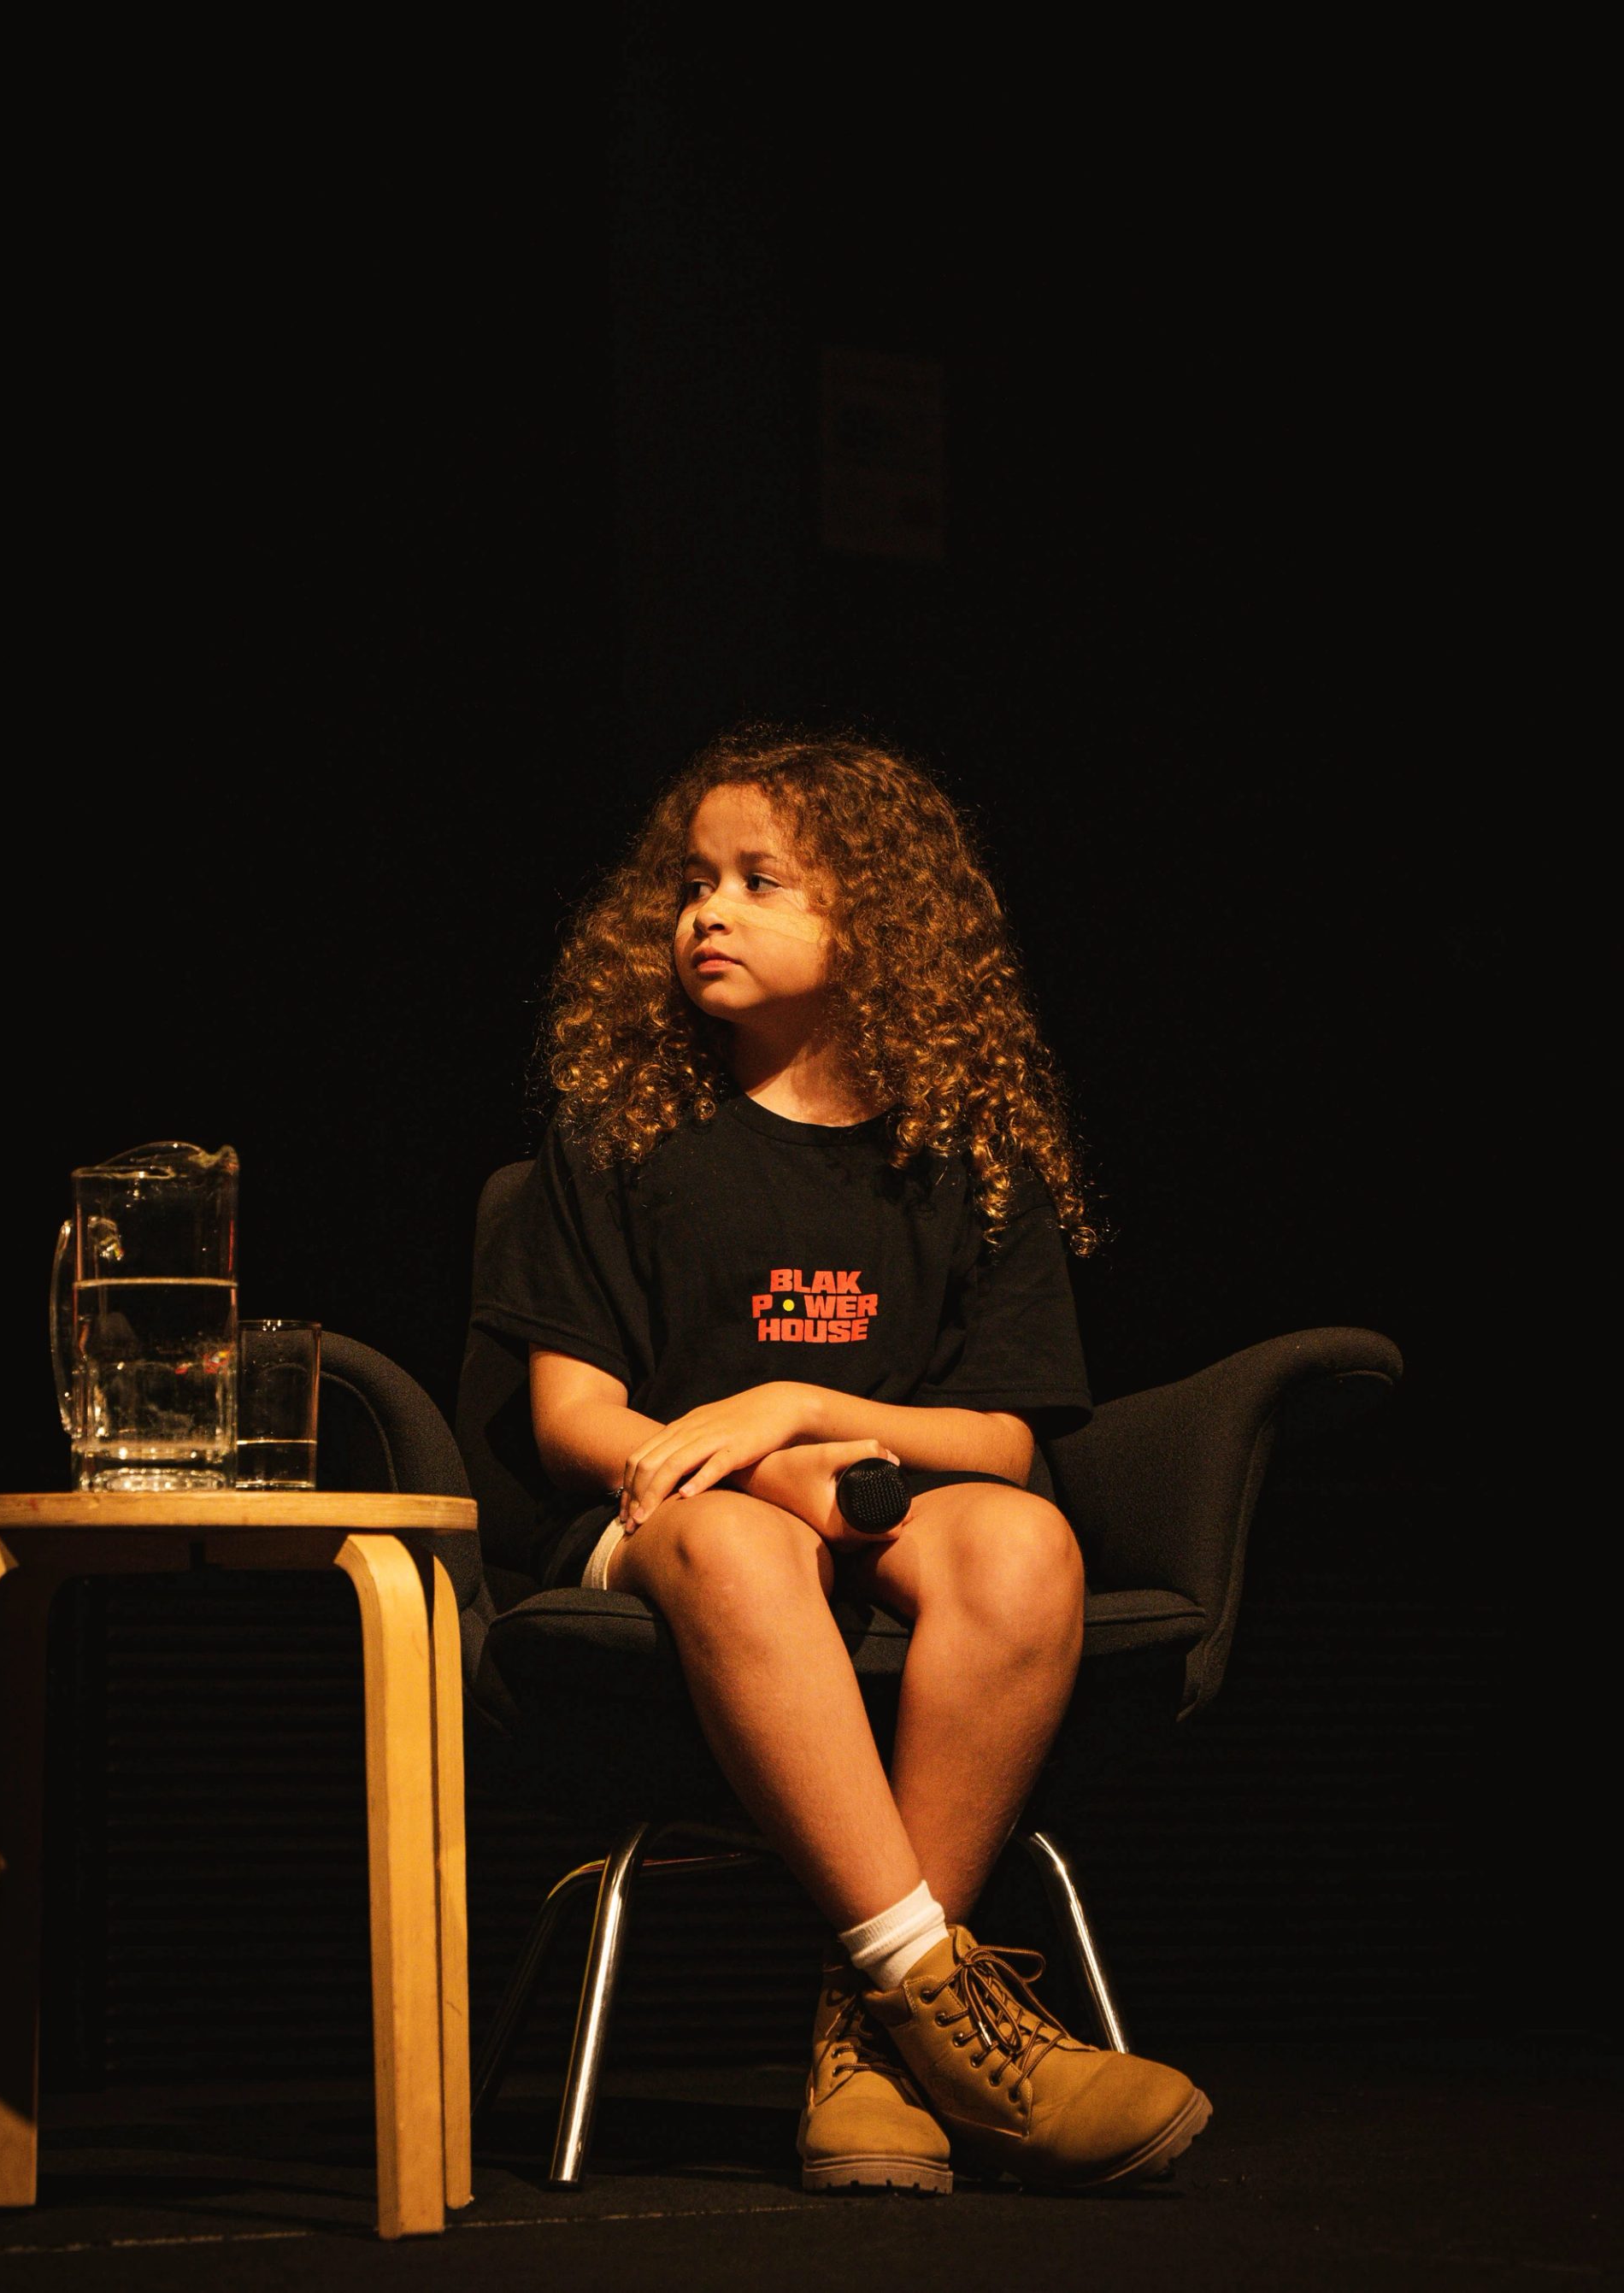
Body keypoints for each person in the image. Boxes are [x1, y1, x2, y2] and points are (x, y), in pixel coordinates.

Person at [497, 726, 1209, 2195]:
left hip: (881, 1511)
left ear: (880, 923)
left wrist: (797, 1407)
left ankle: (877, 2046)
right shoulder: (625, 1131)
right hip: (669, 1538)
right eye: (695, 883)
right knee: (750, 1539)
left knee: (1025, 1537)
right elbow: (573, 1420)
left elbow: (1002, 1440)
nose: (710, 911)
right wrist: (763, 1470)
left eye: (764, 882)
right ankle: (961, 2023)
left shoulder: (971, 1150)